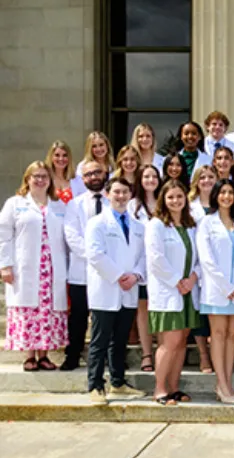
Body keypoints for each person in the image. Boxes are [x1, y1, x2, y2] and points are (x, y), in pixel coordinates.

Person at [0, 162, 68, 371]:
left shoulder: (58, 205)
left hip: (52, 268)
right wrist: (5, 265)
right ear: (27, 179)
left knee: (47, 311)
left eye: (44, 177)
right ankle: (29, 355)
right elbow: (4, 236)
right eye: (35, 176)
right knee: (29, 311)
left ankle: (44, 355)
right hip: (26, 266)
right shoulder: (15, 203)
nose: (40, 180)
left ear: (50, 181)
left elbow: (67, 238)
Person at [84, 177, 146, 404]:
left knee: (119, 342)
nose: (121, 197)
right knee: (100, 341)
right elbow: (95, 254)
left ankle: (118, 383)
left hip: (128, 291)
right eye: (116, 192)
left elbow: (143, 257)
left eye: (125, 193)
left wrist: (136, 276)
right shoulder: (97, 223)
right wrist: (119, 276)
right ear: (108, 194)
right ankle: (95, 385)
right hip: (106, 289)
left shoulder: (139, 226)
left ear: (131, 195)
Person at [197, 179, 234, 404]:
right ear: (215, 195)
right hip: (216, 289)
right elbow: (206, 258)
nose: (227, 196)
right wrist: (224, 285)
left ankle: (228, 382)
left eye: (231, 192)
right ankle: (221, 385)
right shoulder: (207, 223)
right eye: (222, 192)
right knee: (219, 334)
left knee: (232, 334)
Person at [145, 180, 202, 405]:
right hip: (169, 291)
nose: (175, 201)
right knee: (169, 342)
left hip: (188, 290)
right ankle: (160, 389)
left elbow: (200, 257)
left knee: (181, 342)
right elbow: (156, 258)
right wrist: (177, 282)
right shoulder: (157, 225)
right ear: (163, 200)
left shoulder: (191, 225)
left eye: (179, 196)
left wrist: (192, 279)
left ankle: (175, 387)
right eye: (171, 197)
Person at [61, 161, 110, 371]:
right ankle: (73, 355)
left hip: (109, 271)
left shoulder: (114, 201)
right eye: (88, 174)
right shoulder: (74, 204)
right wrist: (95, 258)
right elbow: (72, 236)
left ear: (105, 173)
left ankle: (109, 356)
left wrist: (106, 262)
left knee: (106, 316)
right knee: (78, 316)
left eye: (97, 172)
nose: (94, 177)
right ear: (83, 179)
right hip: (82, 270)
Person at [126, 163, 162, 372]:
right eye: (146, 177)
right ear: (140, 180)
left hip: (162, 267)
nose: (150, 180)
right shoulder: (133, 206)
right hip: (140, 265)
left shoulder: (165, 202)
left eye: (154, 177)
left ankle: (163, 351)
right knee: (143, 311)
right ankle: (147, 354)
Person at [186, 165, 216, 373]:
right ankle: (204, 355)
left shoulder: (223, 201)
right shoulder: (189, 206)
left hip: (218, 266)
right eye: (202, 177)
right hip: (196, 264)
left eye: (210, 177)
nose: (206, 180)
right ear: (196, 181)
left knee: (215, 312)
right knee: (198, 312)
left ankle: (216, 354)